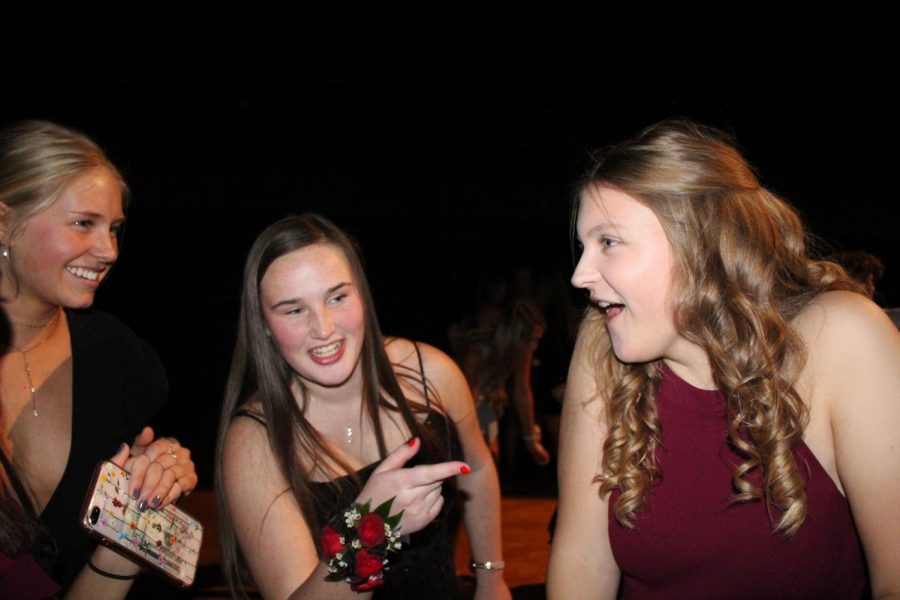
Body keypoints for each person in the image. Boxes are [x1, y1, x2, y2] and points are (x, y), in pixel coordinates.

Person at [547, 120, 900, 598]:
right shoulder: (601, 344)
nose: (580, 275)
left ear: (699, 241)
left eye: (608, 242)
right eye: (585, 246)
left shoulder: (841, 336)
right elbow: (582, 563)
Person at [216, 214, 510, 599]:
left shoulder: (431, 374)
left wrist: (491, 577)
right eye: (293, 310)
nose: (324, 328)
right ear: (264, 324)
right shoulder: (255, 441)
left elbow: (479, 467)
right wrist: (372, 527)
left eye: (337, 297)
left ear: (362, 294)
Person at [0, 120, 198, 591]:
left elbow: (117, 561)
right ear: (4, 221)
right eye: (83, 224)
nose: (108, 250)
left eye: (114, 229)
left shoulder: (120, 361)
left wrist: (156, 480)